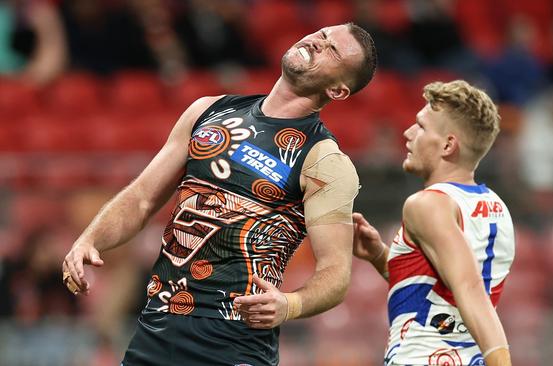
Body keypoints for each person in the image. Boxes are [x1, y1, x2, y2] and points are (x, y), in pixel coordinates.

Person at [61, 22, 377, 366]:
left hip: (233, 343)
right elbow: (141, 198)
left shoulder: (325, 160)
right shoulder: (208, 111)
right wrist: (89, 239)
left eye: (332, 49)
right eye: (322, 34)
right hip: (157, 328)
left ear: (339, 91)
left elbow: (336, 273)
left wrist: (290, 305)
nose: (318, 42)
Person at [353, 80, 514, 366]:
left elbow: (469, 288)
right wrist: (380, 256)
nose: (408, 133)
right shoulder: (497, 208)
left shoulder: (426, 204)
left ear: (448, 144)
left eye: (421, 126)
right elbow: (443, 298)